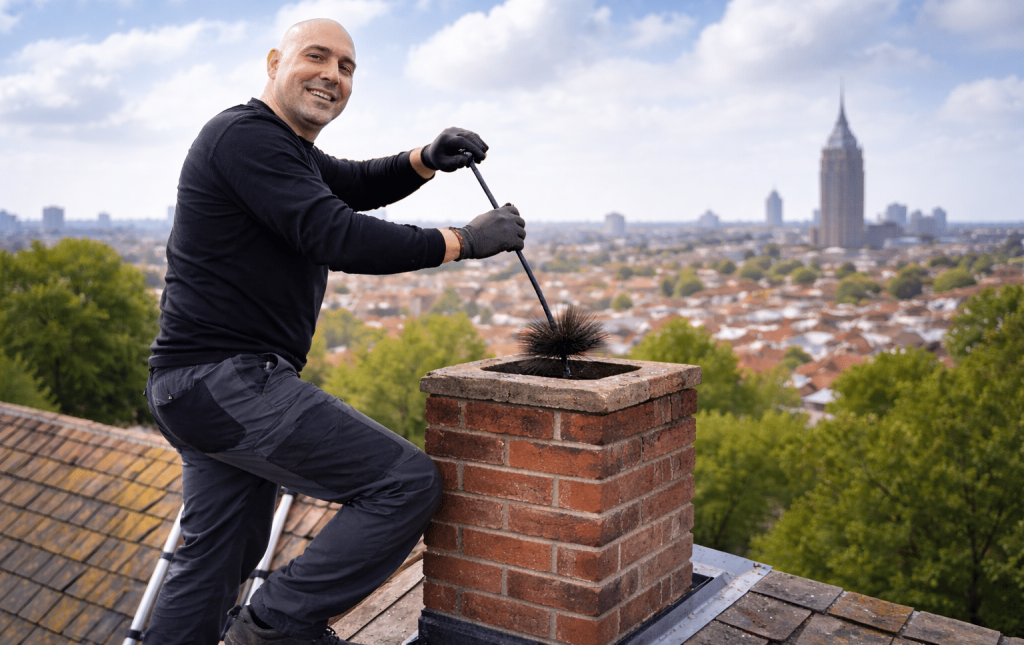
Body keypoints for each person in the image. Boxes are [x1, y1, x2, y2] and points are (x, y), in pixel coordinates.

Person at [143, 17, 525, 645]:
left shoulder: (282, 150)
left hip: (192, 389)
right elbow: (335, 232)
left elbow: (350, 183)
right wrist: (463, 241)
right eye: (316, 57)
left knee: (215, 563)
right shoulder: (245, 137)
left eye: (346, 67)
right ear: (274, 62)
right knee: (403, 483)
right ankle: (274, 629)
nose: (332, 75)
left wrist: (424, 160)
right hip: (227, 380)